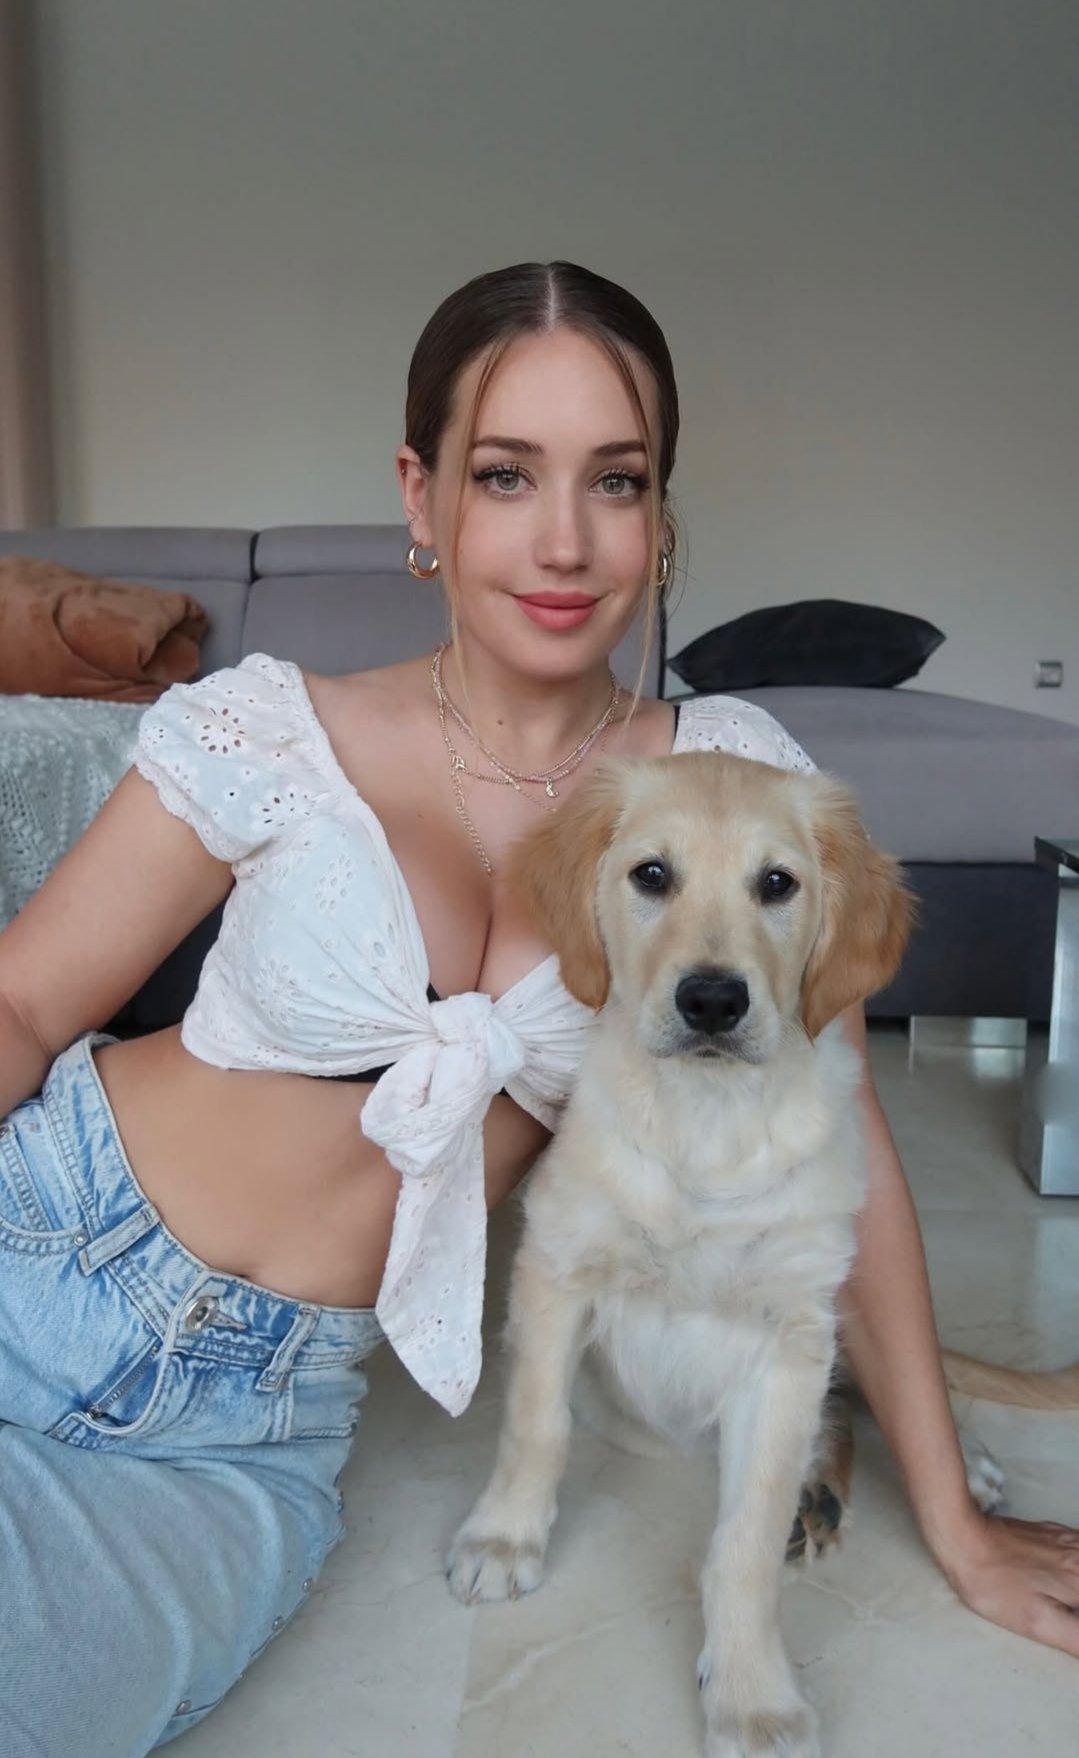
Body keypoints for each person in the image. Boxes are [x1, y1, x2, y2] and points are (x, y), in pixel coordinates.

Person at [1, 261, 1076, 1758]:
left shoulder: (735, 773)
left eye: (614, 480)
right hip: (41, 1228)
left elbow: (852, 1157)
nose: (565, 539)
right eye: (506, 474)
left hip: (247, 1426)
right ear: (422, 495)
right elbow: (22, 1004)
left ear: (659, 512)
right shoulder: (270, 725)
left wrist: (955, 1523)